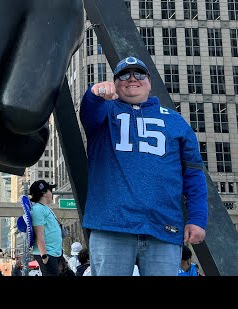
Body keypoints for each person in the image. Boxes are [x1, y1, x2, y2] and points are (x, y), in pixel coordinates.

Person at [80, 56, 208, 276]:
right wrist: (95, 94)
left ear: (149, 81)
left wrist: (197, 219)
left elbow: (194, 174)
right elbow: (89, 112)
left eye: (138, 74)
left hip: (163, 228)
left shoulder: (176, 121)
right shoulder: (105, 113)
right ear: (115, 82)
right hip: (112, 227)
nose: (132, 79)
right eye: (123, 75)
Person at [28, 179, 63, 276]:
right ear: (44, 193)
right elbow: (40, 235)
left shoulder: (44, 208)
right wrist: (44, 256)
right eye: (49, 190)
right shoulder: (38, 210)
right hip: (47, 253)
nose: (51, 193)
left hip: (53, 252)